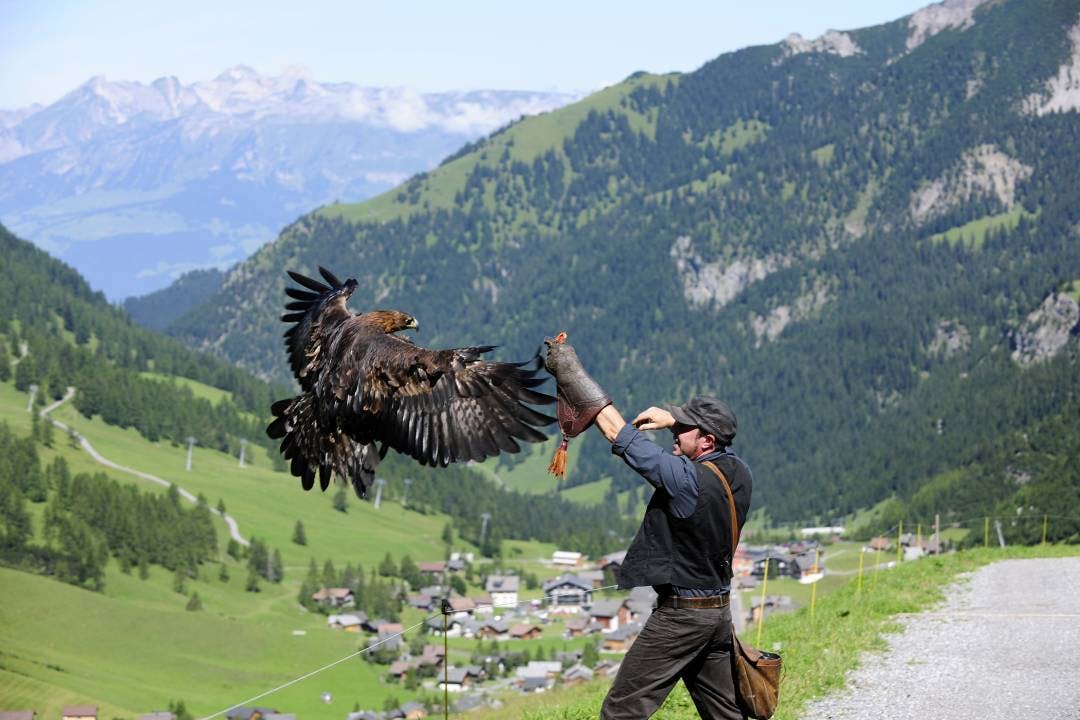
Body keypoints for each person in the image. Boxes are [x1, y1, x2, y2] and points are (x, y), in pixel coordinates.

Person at [545, 338, 752, 720]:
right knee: (727, 715)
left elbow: (617, 433)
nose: (676, 433)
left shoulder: (684, 479)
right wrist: (676, 420)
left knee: (622, 711)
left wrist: (571, 374)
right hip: (718, 615)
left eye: (685, 429)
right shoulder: (739, 472)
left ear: (705, 440)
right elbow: (706, 444)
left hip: (681, 618)